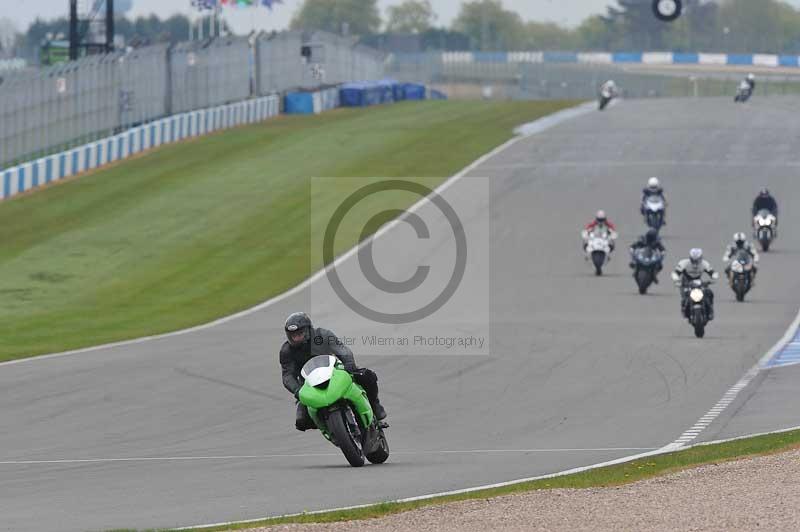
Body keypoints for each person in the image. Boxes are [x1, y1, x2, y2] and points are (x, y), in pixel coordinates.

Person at [280, 312, 387, 432]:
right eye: (293, 335)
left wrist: (349, 366)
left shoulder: (323, 335)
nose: (297, 337)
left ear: (309, 330)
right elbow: (287, 375)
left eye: (300, 333)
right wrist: (297, 390)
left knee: (368, 376)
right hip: (310, 384)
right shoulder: (286, 351)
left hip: (334, 373)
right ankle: (329, 427)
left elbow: (342, 350)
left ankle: (375, 406)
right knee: (301, 421)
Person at [671, 248, 719, 321]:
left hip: (699, 282)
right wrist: (676, 280)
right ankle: (684, 310)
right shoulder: (684, 263)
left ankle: (710, 310)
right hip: (686, 283)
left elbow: (712, 272)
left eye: (697, 260)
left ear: (701, 258)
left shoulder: (704, 264)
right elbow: (675, 273)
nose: (695, 262)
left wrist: (714, 277)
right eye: (693, 260)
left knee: (709, 292)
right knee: (685, 296)